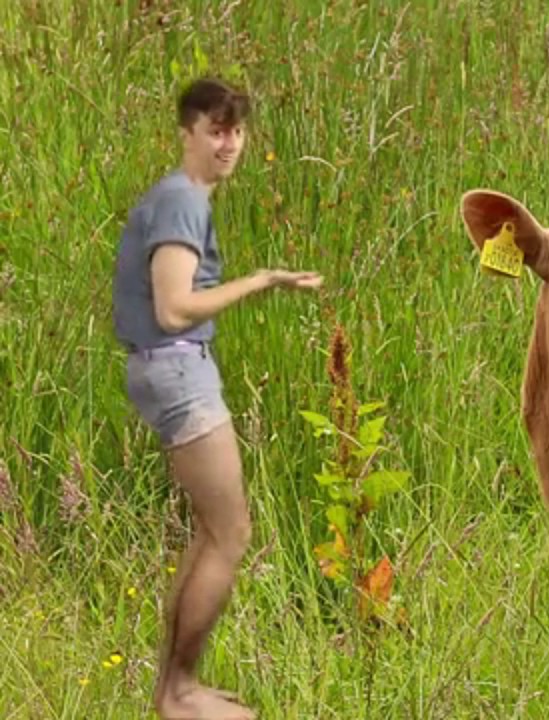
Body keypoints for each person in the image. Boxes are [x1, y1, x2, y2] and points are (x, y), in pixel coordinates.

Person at [111, 76, 322, 719]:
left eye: (236, 130)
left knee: (214, 532)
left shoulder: (182, 198)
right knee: (230, 532)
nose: (228, 144)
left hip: (169, 368)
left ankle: (175, 687)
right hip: (178, 369)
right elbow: (174, 307)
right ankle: (177, 693)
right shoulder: (182, 203)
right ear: (188, 133)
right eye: (215, 130)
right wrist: (260, 281)